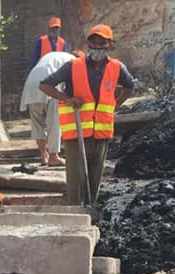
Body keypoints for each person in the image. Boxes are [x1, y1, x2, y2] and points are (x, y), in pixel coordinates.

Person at [39, 24, 135, 206]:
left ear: (109, 46)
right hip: (77, 134)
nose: (97, 46)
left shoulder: (117, 68)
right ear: (88, 44)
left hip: (101, 134)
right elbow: (45, 85)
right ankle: (75, 212)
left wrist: (116, 104)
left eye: (102, 43)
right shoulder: (73, 66)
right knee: (76, 181)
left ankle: (91, 211)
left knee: (94, 179)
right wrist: (67, 99)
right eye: (94, 42)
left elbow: (130, 86)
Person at [20, 50, 75, 166]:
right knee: (54, 122)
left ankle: (43, 156)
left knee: (37, 123)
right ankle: (54, 157)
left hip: (31, 83)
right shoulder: (74, 62)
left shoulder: (52, 56)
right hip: (49, 85)